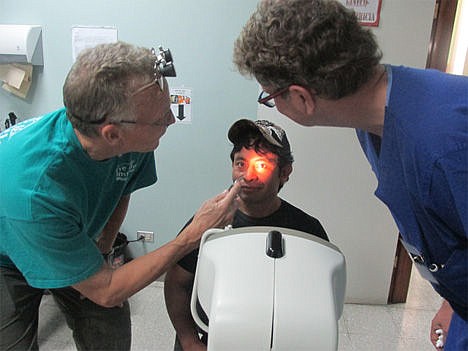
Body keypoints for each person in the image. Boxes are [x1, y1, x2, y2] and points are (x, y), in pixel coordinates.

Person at [232, 1, 467, 350]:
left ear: (301, 97)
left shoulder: (445, 147)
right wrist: (454, 301)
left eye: (271, 98)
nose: (274, 106)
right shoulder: (378, 112)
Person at [0, 41, 241, 351]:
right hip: (7, 251)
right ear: (112, 133)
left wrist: (102, 245)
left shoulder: (131, 140)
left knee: (109, 333)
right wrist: (192, 235)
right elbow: (106, 291)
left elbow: (121, 187)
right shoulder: (36, 191)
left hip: (69, 237)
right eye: (159, 118)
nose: (170, 120)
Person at [164, 118, 329, 351]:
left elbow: (321, 302)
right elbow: (176, 284)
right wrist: (189, 341)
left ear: (284, 173)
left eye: (262, 165)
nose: (247, 175)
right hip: (211, 337)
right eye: (241, 164)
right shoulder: (209, 224)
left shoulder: (307, 231)